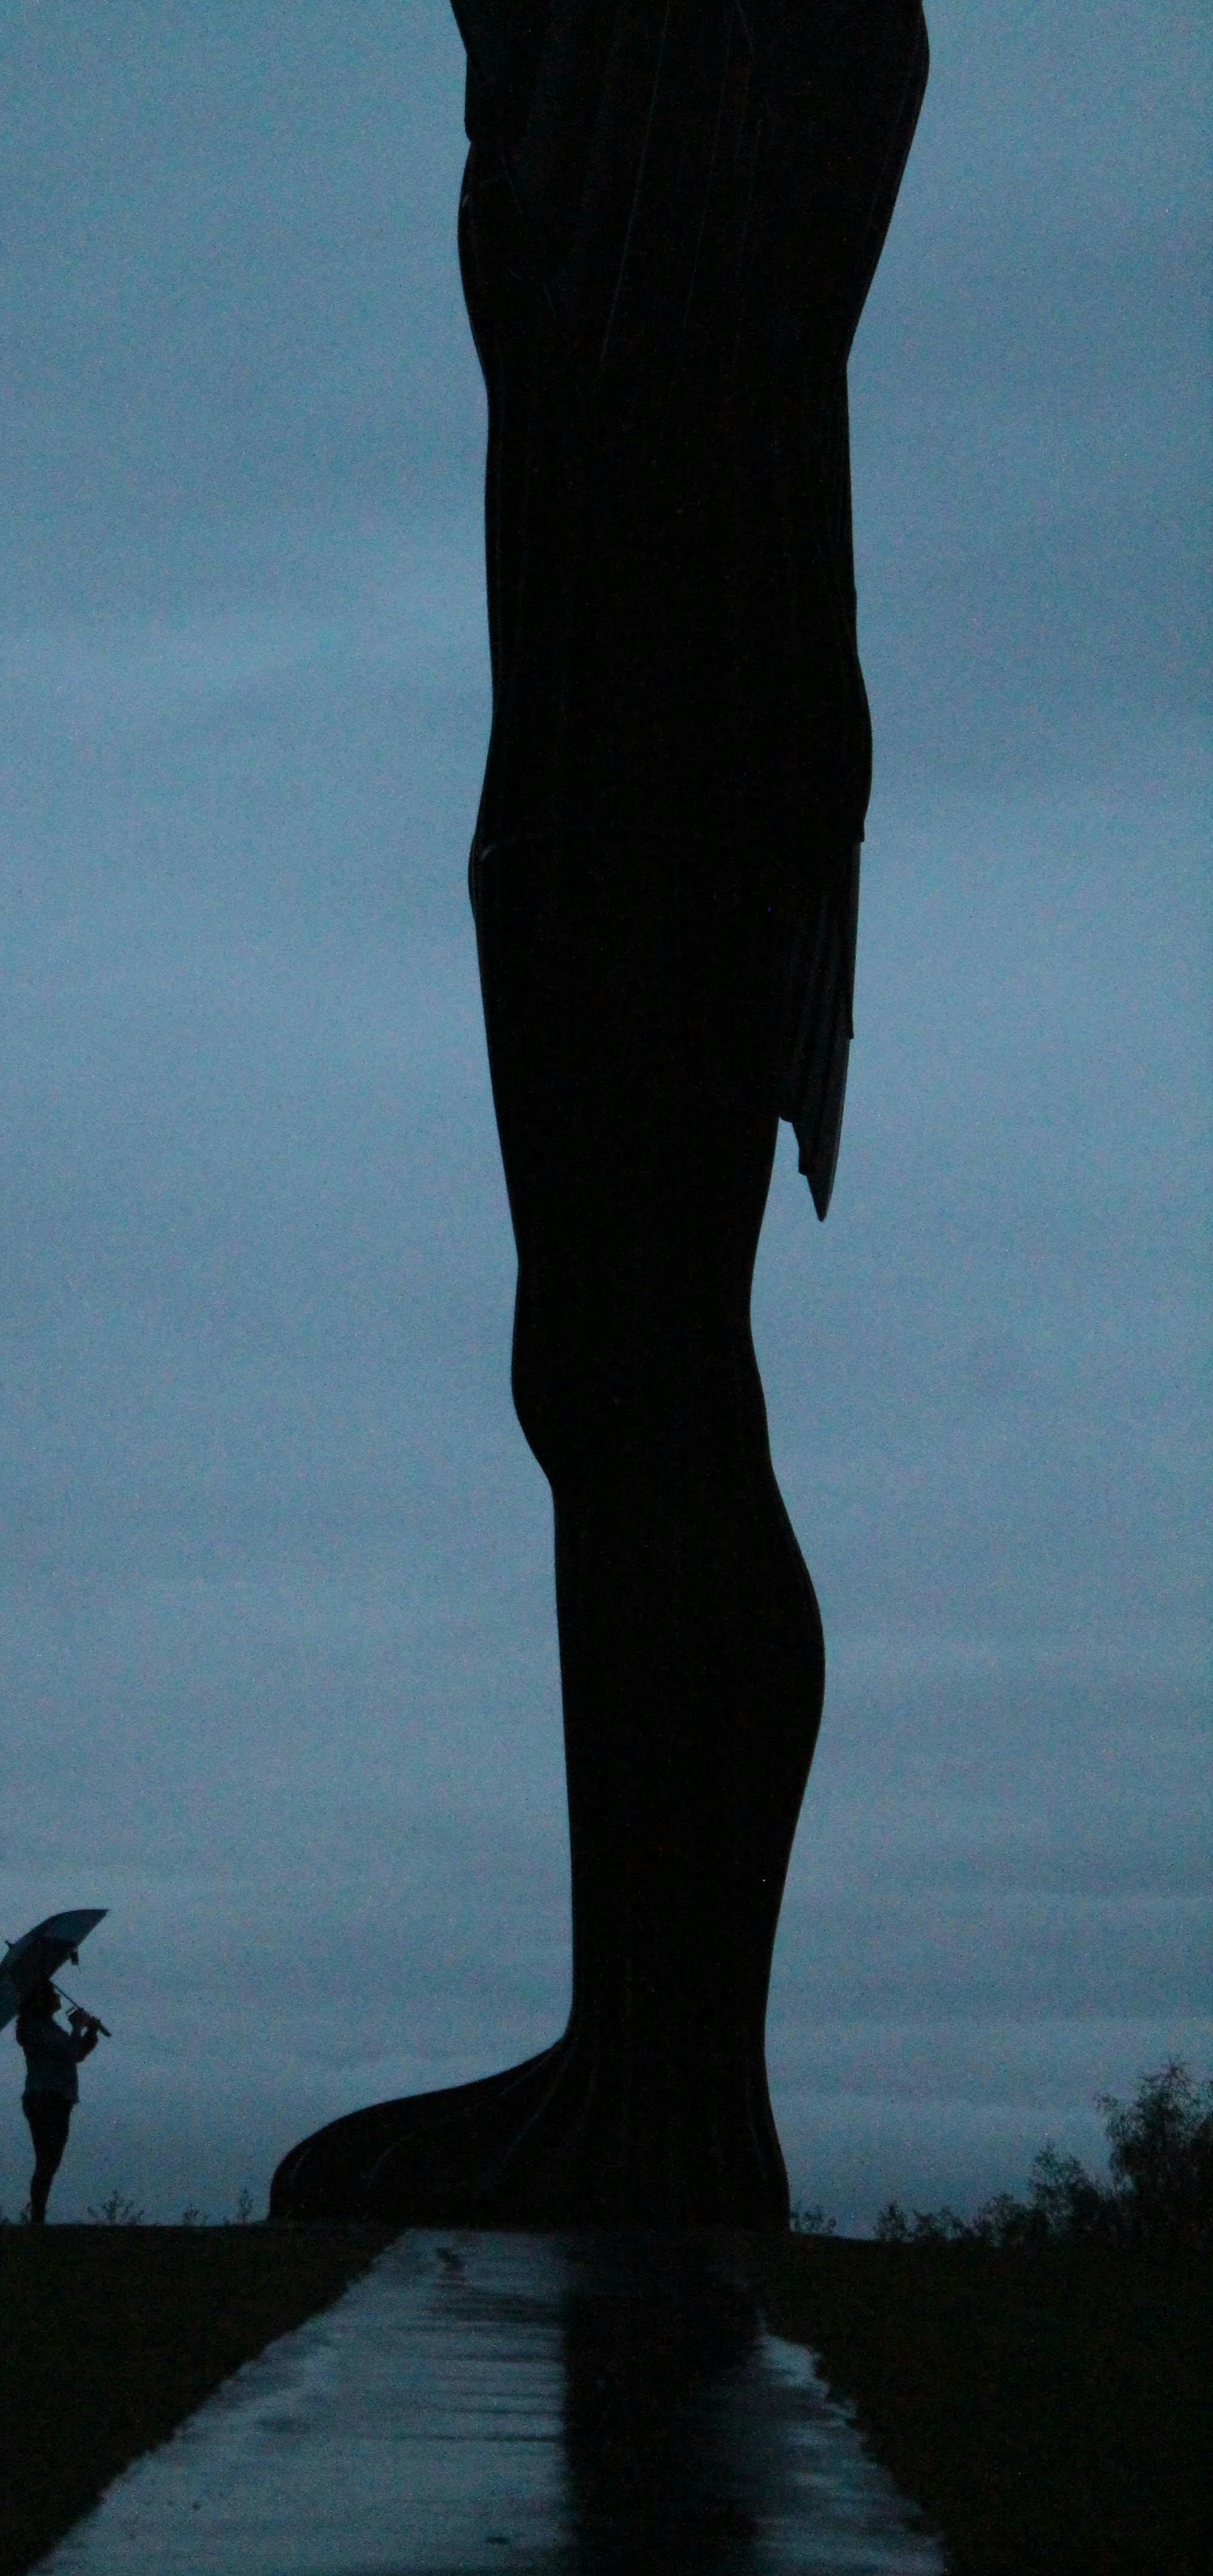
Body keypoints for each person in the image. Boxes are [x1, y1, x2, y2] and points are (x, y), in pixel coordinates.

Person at [270, 2, 928, 2229]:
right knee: (606, 1367)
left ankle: (671, 2085)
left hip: (668, 712)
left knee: (639, 1364)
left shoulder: (708, 74)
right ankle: (633, 2046)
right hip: (609, 707)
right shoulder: (623, 95)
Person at [16, 1984, 100, 2223]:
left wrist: (90, 2032)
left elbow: (77, 2054)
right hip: (46, 2099)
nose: (56, 1995)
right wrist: (77, 2028)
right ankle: (37, 2217)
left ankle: (38, 2216)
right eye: (50, 1992)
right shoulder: (35, 2029)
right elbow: (71, 2053)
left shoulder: (48, 2027)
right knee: (47, 2159)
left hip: (58, 2099)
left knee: (50, 2160)